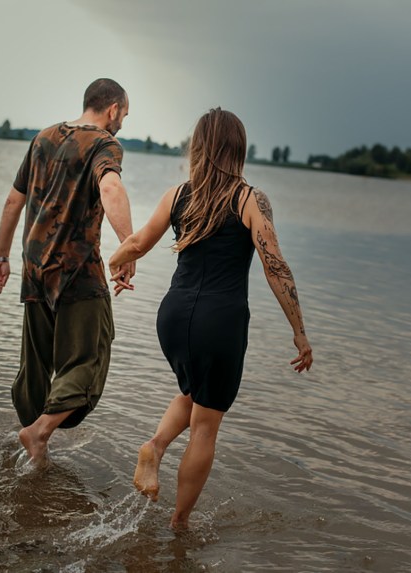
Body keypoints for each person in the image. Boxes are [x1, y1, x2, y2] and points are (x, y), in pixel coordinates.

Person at [108, 108, 313, 528]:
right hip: (219, 322)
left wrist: (115, 263)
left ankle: (154, 447)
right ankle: (179, 525)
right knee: (206, 425)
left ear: (198, 147)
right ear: (238, 150)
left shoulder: (178, 194)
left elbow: (137, 243)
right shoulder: (250, 199)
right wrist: (299, 332)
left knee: (195, 392)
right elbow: (276, 267)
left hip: (173, 316)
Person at [0, 78, 134, 466]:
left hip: (34, 268)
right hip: (77, 275)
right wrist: (129, 245)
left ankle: (35, 445)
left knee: (35, 365)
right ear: (113, 109)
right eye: (124, 115)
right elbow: (112, 190)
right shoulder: (105, 144)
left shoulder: (44, 138)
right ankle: (39, 433)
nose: (121, 124)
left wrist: (1, 256)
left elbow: (13, 200)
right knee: (90, 356)